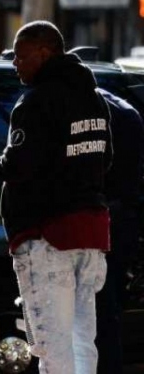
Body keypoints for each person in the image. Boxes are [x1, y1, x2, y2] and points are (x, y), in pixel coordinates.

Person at [0, 20, 111, 373]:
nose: (15, 64)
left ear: (44, 53)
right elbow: (105, 160)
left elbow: (18, 167)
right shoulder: (94, 101)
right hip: (89, 236)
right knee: (82, 340)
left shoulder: (35, 103)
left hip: (46, 239)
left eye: (20, 56)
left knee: (51, 345)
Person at [95, 89, 144, 374]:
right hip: (120, 220)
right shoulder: (125, 110)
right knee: (106, 317)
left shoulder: (80, 107)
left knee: (95, 317)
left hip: (99, 224)